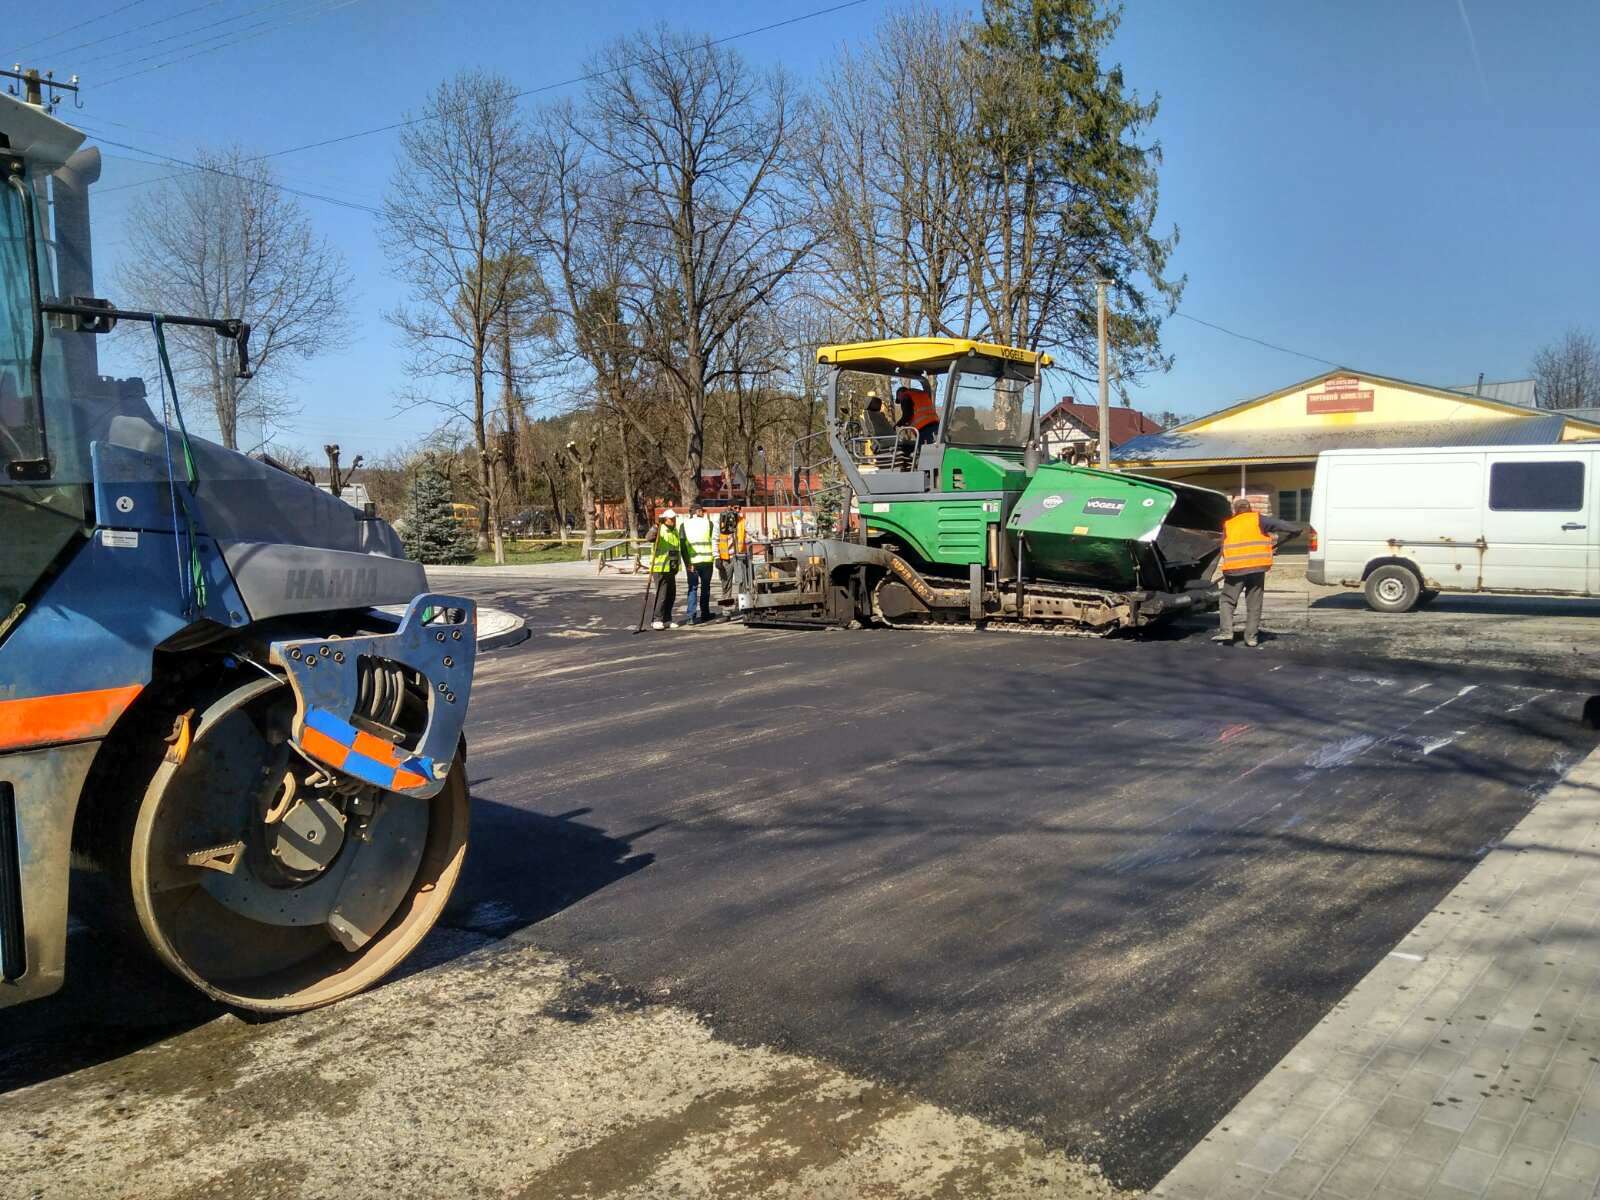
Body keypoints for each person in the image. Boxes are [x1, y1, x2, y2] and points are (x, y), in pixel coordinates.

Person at [1214, 495, 1300, 647]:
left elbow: (1223, 548)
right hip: (1256, 568)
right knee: (1254, 603)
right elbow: (1281, 524)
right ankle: (1251, 638)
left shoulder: (1229, 524)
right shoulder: (1258, 519)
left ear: (1235, 511)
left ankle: (1226, 632)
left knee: (1227, 601)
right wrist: (1295, 530)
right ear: (1250, 509)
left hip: (1234, 570)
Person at [678, 502, 717, 626]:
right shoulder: (708, 523)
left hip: (693, 563)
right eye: (702, 511)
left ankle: (691, 617)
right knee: (705, 588)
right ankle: (705, 614)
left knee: (693, 588)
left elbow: (683, 546)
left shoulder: (684, 525)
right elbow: (714, 540)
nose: (703, 513)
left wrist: (687, 563)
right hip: (707, 561)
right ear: (698, 512)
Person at [648, 509, 687, 630]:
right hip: (660, 568)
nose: (674, 521)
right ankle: (657, 619)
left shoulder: (674, 530)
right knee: (662, 595)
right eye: (671, 519)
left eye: (674, 518)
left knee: (671, 595)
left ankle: (667, 619)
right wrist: (655, 527)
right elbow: (649, 538)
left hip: (671, 567)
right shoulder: (660, 529)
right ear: (665, 519)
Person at [716, 505, 749, 619]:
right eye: (736, 508)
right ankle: (726, 612)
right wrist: (716, 557)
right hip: (726, 558)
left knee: (743, 583)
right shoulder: (720, 521)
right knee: (726, 585)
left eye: (739, 508)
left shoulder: (742, 521)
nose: (738, 510)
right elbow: (715, 539)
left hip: (739, 557)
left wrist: (765, 539)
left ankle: (744, 610)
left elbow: (753, 532)